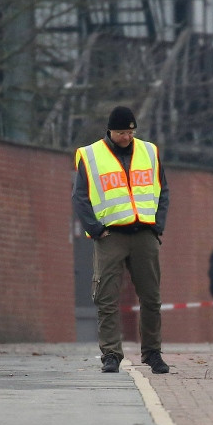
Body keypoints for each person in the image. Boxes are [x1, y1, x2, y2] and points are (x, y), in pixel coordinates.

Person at [72, 106, 170, 375]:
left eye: (130, 132)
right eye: (121, 132)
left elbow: (162, 190)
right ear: (110, 131)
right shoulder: (91, 155)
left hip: (145, 234)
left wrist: (157, 226)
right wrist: (95, 228)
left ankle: (153, 353)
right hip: (111, 235)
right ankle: (111, 355)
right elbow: (80, 197)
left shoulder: (149, 152)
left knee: (151, 298)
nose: (127, 137)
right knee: (106, 297)